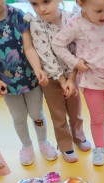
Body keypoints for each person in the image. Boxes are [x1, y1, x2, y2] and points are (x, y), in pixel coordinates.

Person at [0, 0, 58, 166]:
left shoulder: (17, 15)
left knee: (37, 115)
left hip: (31, 78)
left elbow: (29, 47)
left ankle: (43, 142)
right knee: (18, 117)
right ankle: (26, 146)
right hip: (6, 84)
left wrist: (37, 69)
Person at [52, 0, 104, 166]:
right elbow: (57, 44)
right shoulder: (77, 24)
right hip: (92, 82)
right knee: (97, 118)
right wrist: (75, 63)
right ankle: (100, 148)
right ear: (81, 4)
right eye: (99, 11)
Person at [26, 0, 91, 163]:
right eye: (35, 4)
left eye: (46, 2)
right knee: (58, 115)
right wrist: (62, 81)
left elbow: (78, 49)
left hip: (72, 75)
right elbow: (45, 54)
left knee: (75, 111)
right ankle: (65, 145)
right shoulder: (36, 24)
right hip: (51, 78)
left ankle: (78, 136)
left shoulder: (72, 18)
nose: (41, 9)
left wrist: (71, 78)